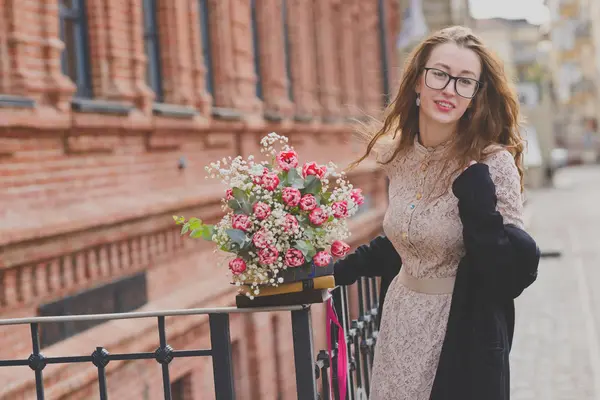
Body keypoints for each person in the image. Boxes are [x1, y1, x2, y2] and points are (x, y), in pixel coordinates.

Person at [333, 26, 540, 400]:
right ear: (417, 81)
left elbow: (507, 274)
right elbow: (408, 238)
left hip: (460, 333)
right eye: (440, 74)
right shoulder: (400, 156)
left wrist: (477, 197)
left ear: (475, 97)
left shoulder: (493, 164)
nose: (449, 89)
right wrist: (338, 267)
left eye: (465, 82)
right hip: (399, 322)